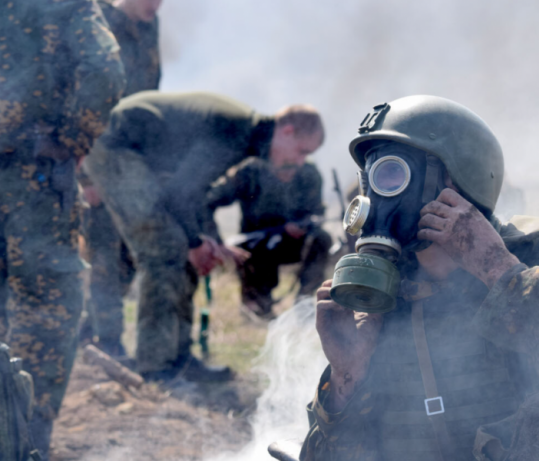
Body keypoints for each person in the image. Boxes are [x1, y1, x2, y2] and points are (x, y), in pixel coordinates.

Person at [300, 96, 539, 461]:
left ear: (455, 180)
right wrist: (348, 377)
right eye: (370, 180)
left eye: (392, 174)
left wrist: (497, 269)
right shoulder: (385, 297)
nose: (376, 199)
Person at [83, 91, 325, 382]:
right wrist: (196, 242)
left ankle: (178, 358)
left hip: (146, 160)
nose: (299, 162)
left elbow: (192, 192)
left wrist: (200, 241)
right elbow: (181, 195)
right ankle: (157, 369)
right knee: (164, 251)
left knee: (181, 251)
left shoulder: (243, 135)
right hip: (116, 147)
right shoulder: (236, 132)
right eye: (301, 151)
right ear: (287, 131)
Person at [0, 0, 125, 457]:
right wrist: (71, 139)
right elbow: (104, 67)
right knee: (45, 314)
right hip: (33, 180)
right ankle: (23, 444)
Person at [79, 0, 163, 358]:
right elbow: (83, 99)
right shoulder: (95, 19)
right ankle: (107, 340)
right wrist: (86, 175)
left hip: (132, 158)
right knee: (104, 252)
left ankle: (89, 327)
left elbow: (148, 96)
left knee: (131, 253)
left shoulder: (149, 27)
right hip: (97, 155)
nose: (156, 5)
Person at [205, 105, 329, 319]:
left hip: (292, 243)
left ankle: (306, 306)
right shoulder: (250, 168)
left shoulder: (309, 174)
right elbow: (210, 200)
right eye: (301, 151)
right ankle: (256, 305)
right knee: (255, 254)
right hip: (256, 247)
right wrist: (217, 242)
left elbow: (316, 213)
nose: (300, 161)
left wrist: (301, 226)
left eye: (306, 154)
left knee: (321, 239)